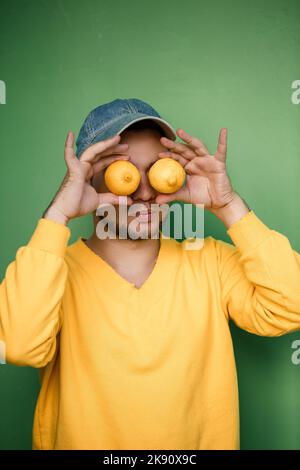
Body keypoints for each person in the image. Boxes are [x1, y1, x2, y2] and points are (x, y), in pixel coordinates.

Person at [1, 98, 300, 450]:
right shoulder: (53, 272)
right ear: (88, 180)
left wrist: (229, 204)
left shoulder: (209, 262)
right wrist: (57, 216)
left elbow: (291, 305)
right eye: (123, 175)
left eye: (157, 171)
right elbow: (19, 346)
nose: (144, 191)